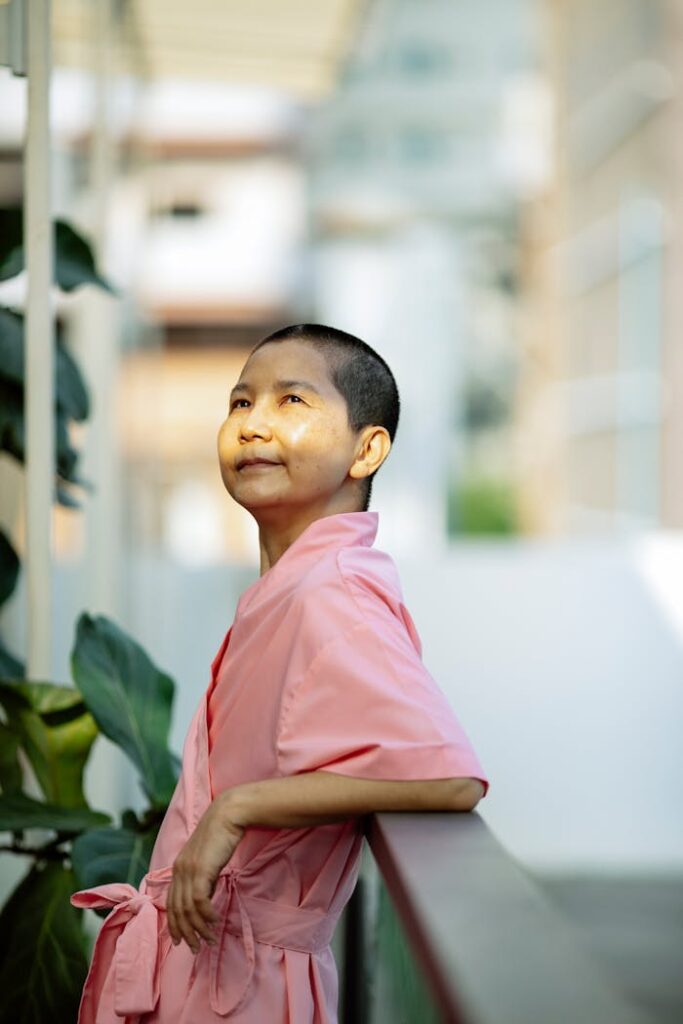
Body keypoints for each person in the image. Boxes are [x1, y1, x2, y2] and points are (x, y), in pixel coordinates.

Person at [71, 323, 489, 1023]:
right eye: (240, 403)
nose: (253, 425)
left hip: (245, 990)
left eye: (291, 402)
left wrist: (238, 808)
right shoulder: (293, 587)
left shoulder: (331, 593)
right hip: (210, 971)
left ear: (367, 449)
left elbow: (447, 777)